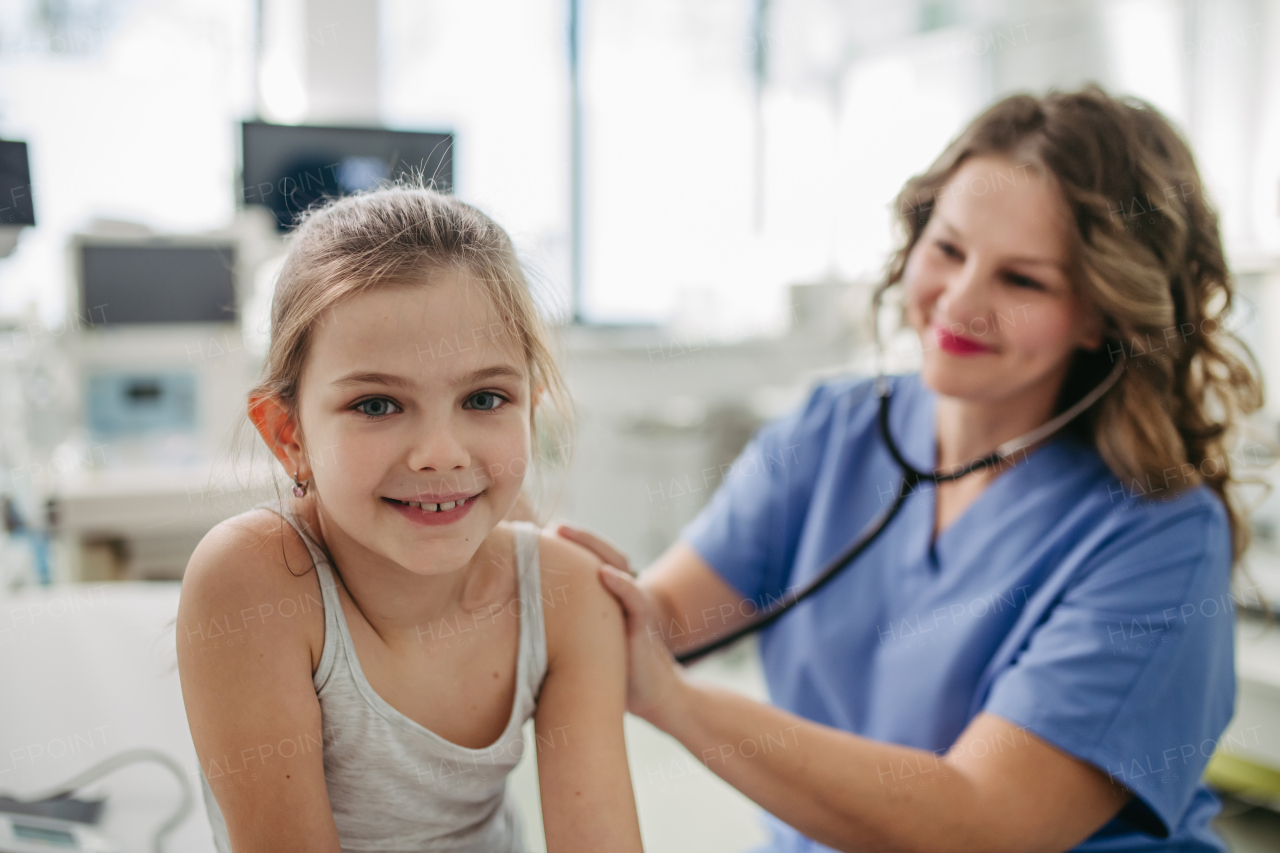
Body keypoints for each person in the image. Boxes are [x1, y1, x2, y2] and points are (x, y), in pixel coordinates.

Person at [561, 86, 1263, 852]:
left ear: (1102, 310)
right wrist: (553, 589)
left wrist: (675, 701)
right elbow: (661, 619)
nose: (960, 301)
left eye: (1021, 279)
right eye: (949, 249)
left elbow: (980, 818)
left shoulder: (1158, 535)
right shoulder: (832, 430)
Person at [176, 187, 645, 853]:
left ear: (530, 412)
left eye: (484, 398)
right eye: (376, 405)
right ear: (289, 435)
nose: (440, 454)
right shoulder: (254, 577)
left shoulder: (567, 594)